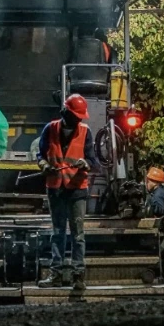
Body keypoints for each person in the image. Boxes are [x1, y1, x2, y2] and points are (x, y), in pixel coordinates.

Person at [35, 94, 96, 292]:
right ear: (65, 112)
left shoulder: (86, 132)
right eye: (75, 116)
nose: (78, 120)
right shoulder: (50, 129)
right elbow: (41, 154)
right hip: (56, 188)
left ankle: (78, 276)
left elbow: (92, 160)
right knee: (58, 232)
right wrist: (44, 165)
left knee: (78, 235)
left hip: (77, 189)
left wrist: (85, 164)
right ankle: (57, 273)